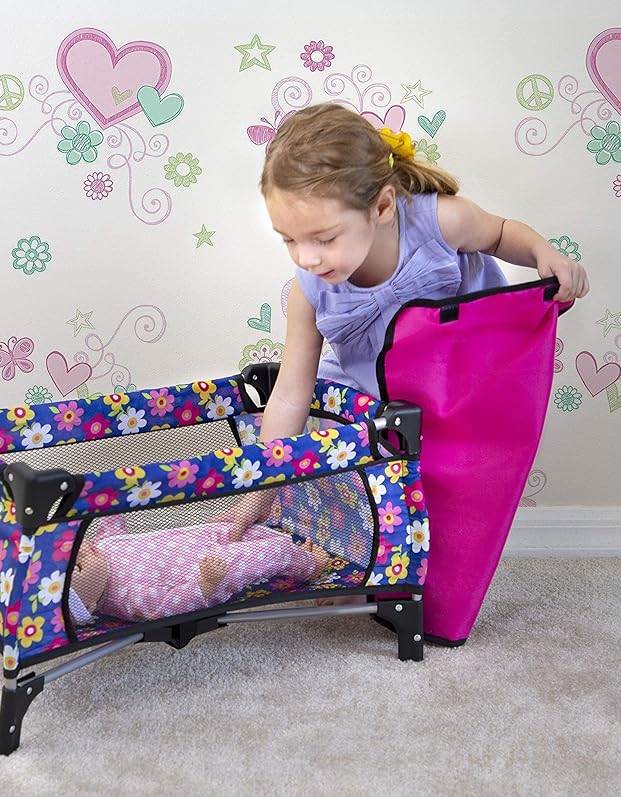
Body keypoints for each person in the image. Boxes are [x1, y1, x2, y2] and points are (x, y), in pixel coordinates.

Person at [227, 103, 590, 593]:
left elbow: (501, 233)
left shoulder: (440, 222)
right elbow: (292, 393)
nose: (307, 257)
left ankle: (435, 580)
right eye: (288, 240)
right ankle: (346, 559)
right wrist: (262, 490)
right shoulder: (308, 291)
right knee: (339, 451)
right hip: (379, 394)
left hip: (459, 378)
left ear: (381, 207)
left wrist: (545, 254)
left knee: (456, 489)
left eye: (324, 238)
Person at [68, 513, 333, 625]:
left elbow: (112, 522)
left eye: (73, 554)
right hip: (214, 571)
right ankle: (311, 566)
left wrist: (105, 501)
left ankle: (291, 551)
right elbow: (169, 606)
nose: (83, 552)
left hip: (204, 539)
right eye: (79, 566)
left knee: (244, 528)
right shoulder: (128, 598)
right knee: (275, 553)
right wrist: (204, 584)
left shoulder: (100, 547)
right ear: (89, 606)